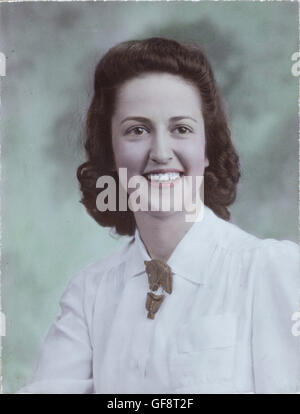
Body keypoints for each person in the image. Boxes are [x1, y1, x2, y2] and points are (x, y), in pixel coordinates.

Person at [18, 37, 299, 394]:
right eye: (137, 130)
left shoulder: (270, 270)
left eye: (181, 129)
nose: (161, 153)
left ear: (207, 148)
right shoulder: (90, 293)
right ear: (111, 152)